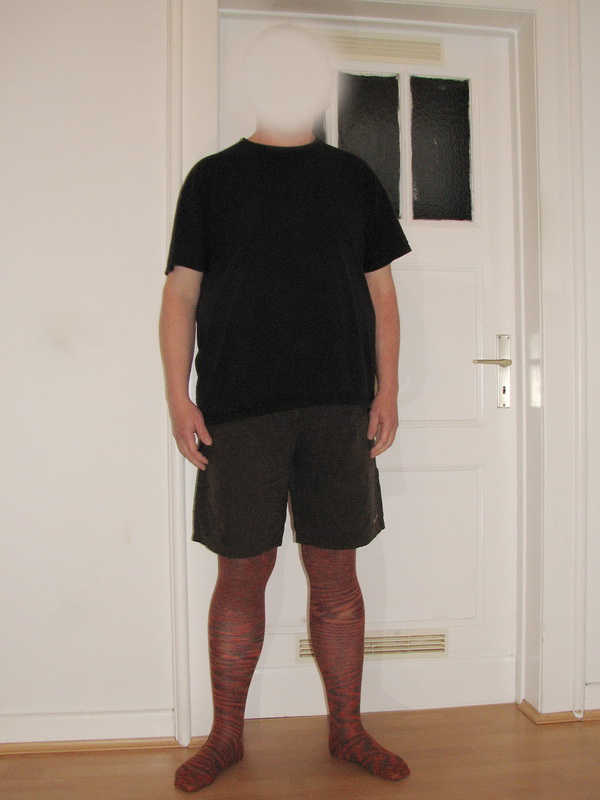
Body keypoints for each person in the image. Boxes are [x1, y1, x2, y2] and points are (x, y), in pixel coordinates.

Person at [159, 24, 412, 793]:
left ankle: (347, 731)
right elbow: (179, 297)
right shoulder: (211, 180)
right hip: (237, 410)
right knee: (241, 576)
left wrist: (388, 388)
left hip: (339, 408)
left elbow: (383, 298)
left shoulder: (353, 178)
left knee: (336, 578)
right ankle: (226, 738)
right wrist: (177, 397)